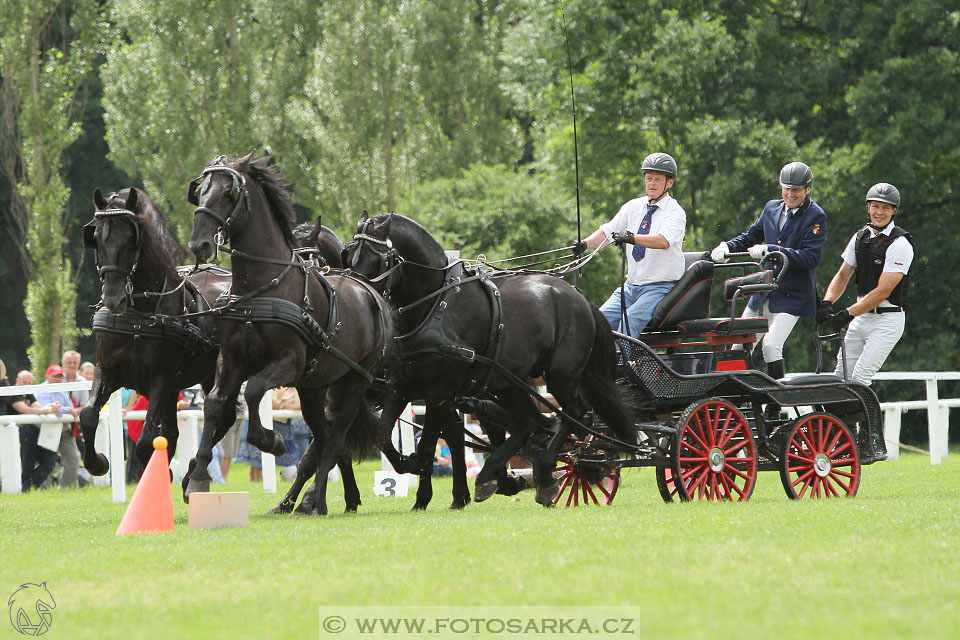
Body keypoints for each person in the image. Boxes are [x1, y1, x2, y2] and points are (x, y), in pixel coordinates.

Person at [711, 161, 827, 380]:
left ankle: (775, 408)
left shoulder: (816, 216)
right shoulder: (771, 207)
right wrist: (727, 246)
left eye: (796, 190)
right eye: (787, 188)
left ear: (808, 189)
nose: (790, 194)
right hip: (763, 290)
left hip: (793, 294)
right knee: (739, 345)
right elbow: (751, 236)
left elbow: (810, 257)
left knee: (771, 346)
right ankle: (739, 399)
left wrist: (772, 250)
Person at [576, 152, 687, 336]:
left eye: (658, 179)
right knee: (597, 321)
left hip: (660, 287)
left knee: (630, 322)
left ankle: (622, 364)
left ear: (669, 183)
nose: (651, 183)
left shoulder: (675, 212)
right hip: (630, 287)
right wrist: (584, 244)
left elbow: (663, 240)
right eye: (649, 178)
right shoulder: (633, 207)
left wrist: (631, 237)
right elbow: (608, 232)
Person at [817, 183, 913, 385]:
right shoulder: (860, 237)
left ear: (894, 211)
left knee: (860, 378)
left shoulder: (900, 244)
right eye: (876, 206)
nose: (879, 212)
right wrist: (827, 302)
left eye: (885, 208)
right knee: (840, 377)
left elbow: (882, 292)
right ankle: (844, 418)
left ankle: (870, 417)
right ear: (868, 207)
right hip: (861, 317)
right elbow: (843, 275)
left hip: (887, 320)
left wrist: (848, 313)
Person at [7, 370, 61, 491]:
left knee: (48, 463)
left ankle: (27, 487)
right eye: (24, 382)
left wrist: (50, 407)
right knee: (27, 464)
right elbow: (25, 410)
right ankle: (24, 488)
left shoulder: (29, 394)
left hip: (29, 432)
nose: (26, 385)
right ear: (17, 382)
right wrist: (50, 410)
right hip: (18, 434)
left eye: (29, 383)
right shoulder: (12, 393)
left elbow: (38, 407)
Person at [59, 350, 89, 487]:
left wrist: (77, 410)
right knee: (45, 459)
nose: (72, 365)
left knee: (73, 458)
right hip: (54, 424)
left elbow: (85, 403)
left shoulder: (82, 382)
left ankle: (68, 487)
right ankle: (42, 486)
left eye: (75, 362)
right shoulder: (56, 378)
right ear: (63, 363)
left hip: (70, 427)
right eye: (69, 362)